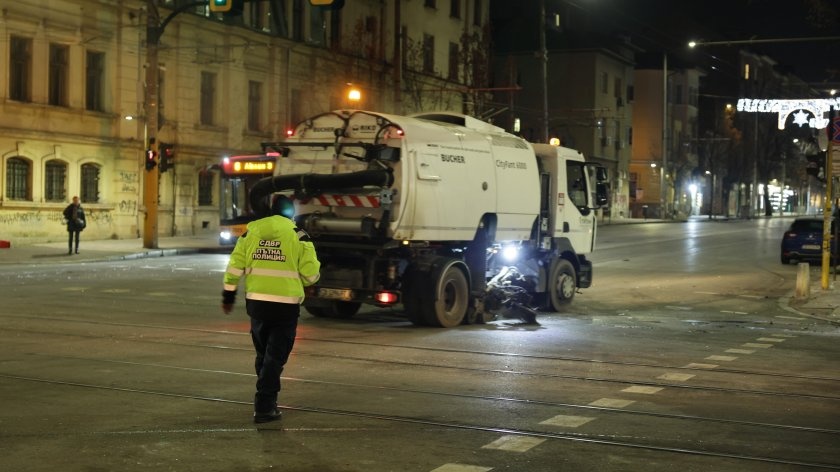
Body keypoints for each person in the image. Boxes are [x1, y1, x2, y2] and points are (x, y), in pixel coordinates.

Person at [221, 195, 320, 424]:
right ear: (290, 213)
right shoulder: (299, 236)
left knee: (264, 354)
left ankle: (267, 399)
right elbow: (311, 275)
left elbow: (235, 266)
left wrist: (228, 294)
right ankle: (264, 404)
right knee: (275, 357)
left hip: (256, 304)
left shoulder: (250, 233)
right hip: (285, 307)